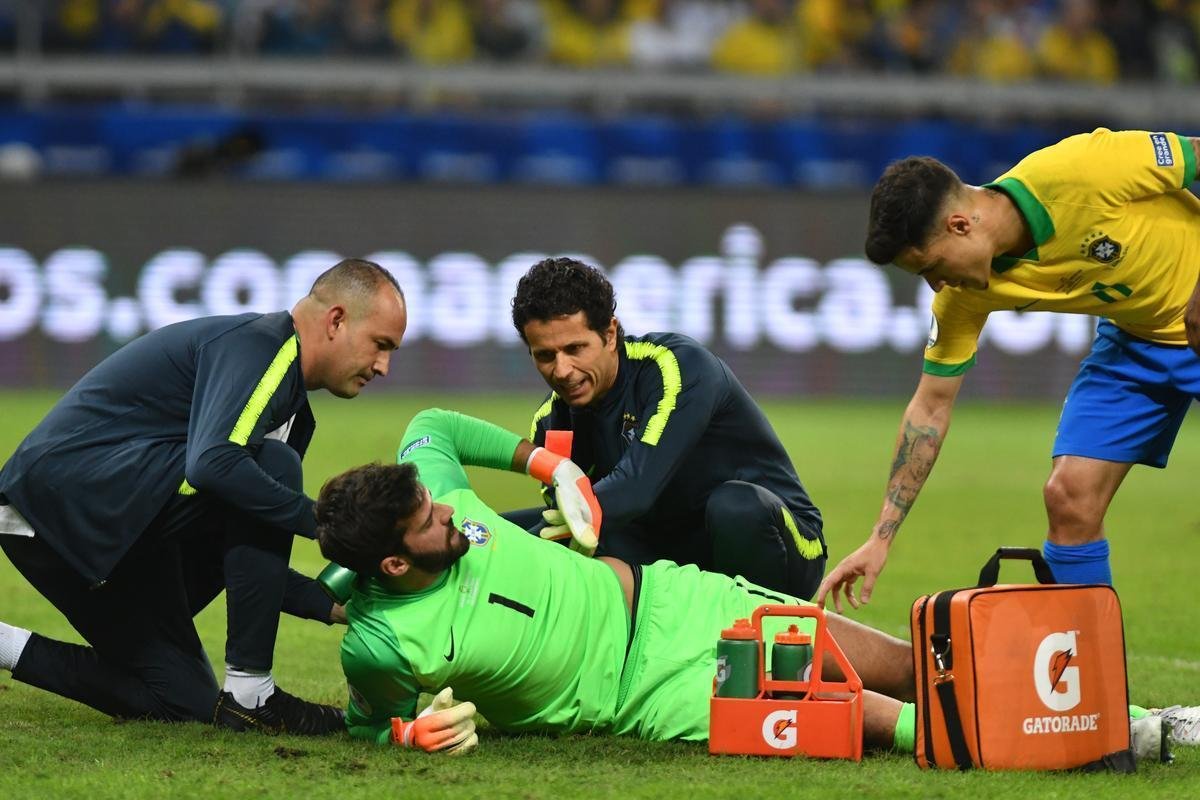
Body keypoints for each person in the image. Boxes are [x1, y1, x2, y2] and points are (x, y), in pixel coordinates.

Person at [314, 408, 1188, 757]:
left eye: (437, 506)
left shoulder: (436, 490)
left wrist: (549, 463)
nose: (451, 520)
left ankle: (1126, 720)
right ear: (393, 564)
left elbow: (430, 424)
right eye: (430, 527)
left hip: (674, 598)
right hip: (649, 693)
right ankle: (1085, 747)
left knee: (899, 658)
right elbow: (369, 714)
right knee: (883, 718)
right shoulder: (384, 641)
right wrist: (404, 736)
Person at [0, 257, 406, 735]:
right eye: (381, 345)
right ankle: (252, 692)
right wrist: (329, 524)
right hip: (60, 504)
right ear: (336, 320)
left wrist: (334, 606)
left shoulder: (293, 413)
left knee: (182, 696)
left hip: (88, 530)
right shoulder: (262, 348)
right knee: (268, 469)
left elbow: (239, 552)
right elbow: (213, 465)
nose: (384, 366)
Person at [817, 128, 1200, 611]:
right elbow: (930, 407)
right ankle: (1089, 676)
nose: (936, 284)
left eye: (931, 267)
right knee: (1069, 497)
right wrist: (880, 538)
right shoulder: (960, 297)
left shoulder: (1082, 169)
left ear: (960, 225)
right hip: (1134, 340)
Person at [508, 257, 827, 599]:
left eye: (575, 349)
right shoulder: (550, 423)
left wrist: (522, 546)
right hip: (674, 551)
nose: (562, 370)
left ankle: (759, 637)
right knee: (511, 533)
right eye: (545, 356)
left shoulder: (675, 367)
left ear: (610, 334)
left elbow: (634, 490)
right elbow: (572, 524)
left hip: (782, 543)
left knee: (733, 506)